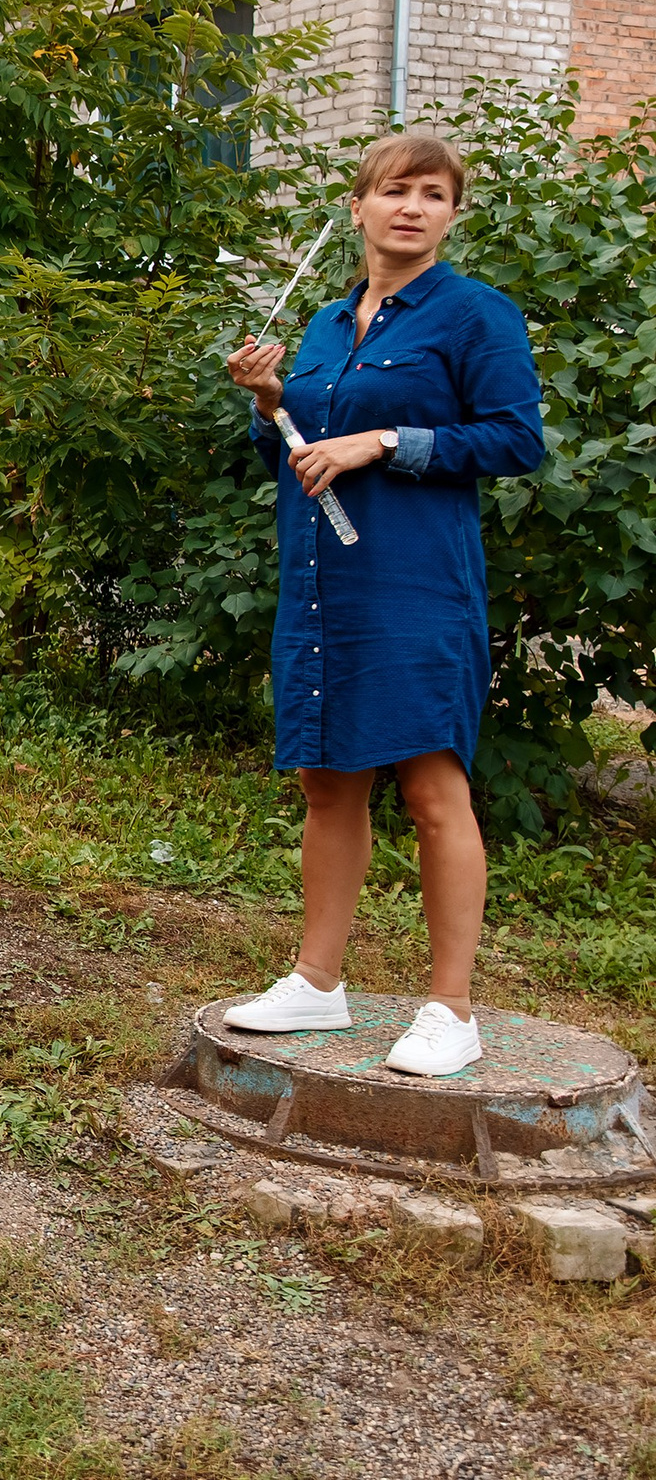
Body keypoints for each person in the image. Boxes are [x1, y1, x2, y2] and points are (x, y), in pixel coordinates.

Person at [223, 134, 544, 1078]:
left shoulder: (475, 315)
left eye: (433, 194)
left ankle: (452, 1008)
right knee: (328, 779)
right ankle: (319, 983)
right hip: (323, 582)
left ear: (451, 215)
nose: (412, 207)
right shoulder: (324, 323)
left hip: (416, 583)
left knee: (432, 785)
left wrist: (382, 442)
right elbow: (289, 447)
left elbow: (516, 439)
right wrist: (270, 398)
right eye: (395, 190)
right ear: (357, 208)